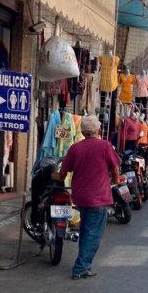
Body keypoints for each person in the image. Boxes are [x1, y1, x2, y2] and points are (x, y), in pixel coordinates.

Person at [52, 116, 120, 280]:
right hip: (98, 197)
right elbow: (115, 168)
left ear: (82, 131)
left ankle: (83, 263)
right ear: (98, 130)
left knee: (86, 230)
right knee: (93, 234)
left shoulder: (75, 148)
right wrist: (116, 181)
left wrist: (53, 175)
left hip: (80, 196)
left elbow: (62, 174)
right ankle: (81, 267)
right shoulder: (105, 146)